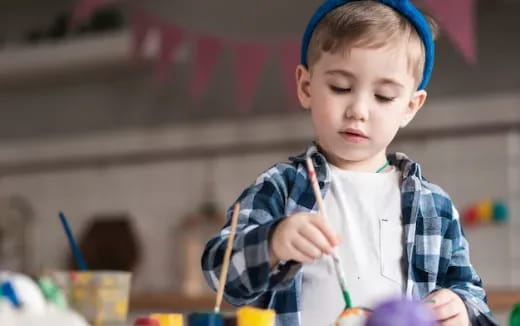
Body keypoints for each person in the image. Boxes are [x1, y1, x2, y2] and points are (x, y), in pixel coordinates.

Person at [202, 1, 498, 325]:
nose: (358, 109)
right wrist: (273, 243)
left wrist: (462, 309)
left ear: (411, 107)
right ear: (306, 87)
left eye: (383, 96)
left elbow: (473, 297)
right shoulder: (282, 186)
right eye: (340, 87)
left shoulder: (434, 206)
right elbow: (220, 273)